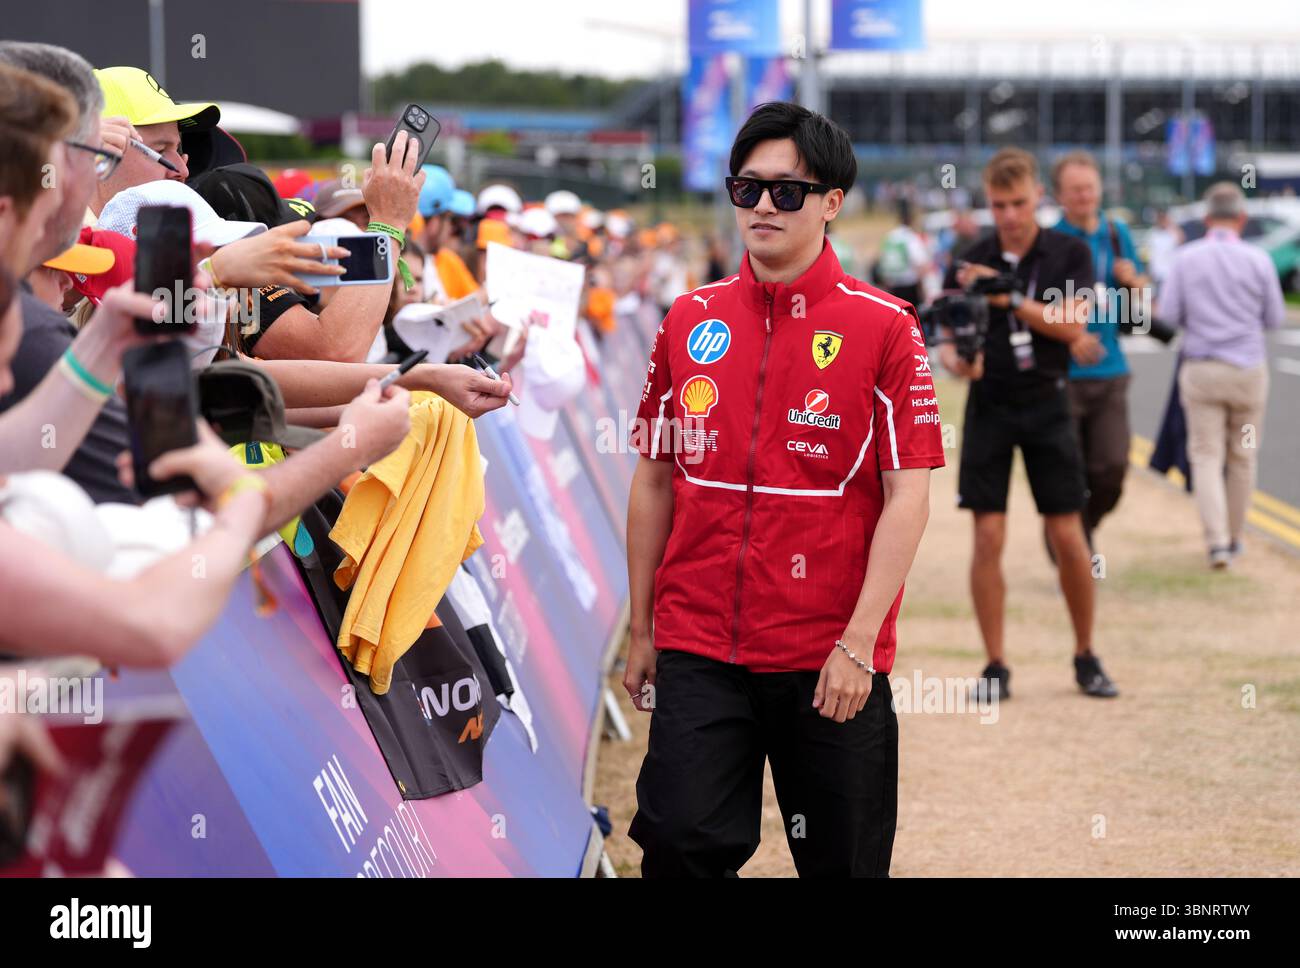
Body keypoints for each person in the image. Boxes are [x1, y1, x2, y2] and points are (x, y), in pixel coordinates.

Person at [624, 101, 944, 877]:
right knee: (676, 848)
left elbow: (910, 496)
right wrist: (643, 628)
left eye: (787, 191)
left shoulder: (888, 326)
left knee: (844, 865)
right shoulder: (688, 319)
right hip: (701, 645)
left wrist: (859, 645)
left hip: (827, 654)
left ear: (832, 202)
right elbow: (654, 480)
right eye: (747, 188)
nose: (763, 205)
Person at [940, 147, 1118, 700]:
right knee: (987, 534)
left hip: (1048, 399)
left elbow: (1073, 324)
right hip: (989, 403)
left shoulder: (1068, 252)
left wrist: (1009, 298)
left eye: (1018, 202)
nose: (1010, 215)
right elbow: (948, 346)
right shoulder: (970, 256)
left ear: (1038, 196)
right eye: (999, 205)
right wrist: (960, 360)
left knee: (1068, 533)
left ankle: (1086, 654)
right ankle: (995, 665)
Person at [1157, 182, 1284, 569]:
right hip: (1247, 372)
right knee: (1243, 456)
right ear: (1241, 218)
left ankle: (1216, 544)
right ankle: (1235, 535)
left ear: (1207, 218)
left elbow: (1168, 316)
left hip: (1203, 371)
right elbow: (1275, 319)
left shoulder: (1186, 258)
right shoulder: (1259, 260)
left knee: (1206, 456)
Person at [1052, 150, 1150, 545]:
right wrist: (1069, 333)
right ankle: (1073, 552)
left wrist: (1133, 283)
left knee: (1110, 469)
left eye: (1089, 188)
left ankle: (1078, 533)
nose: (1084, 196)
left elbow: (1139, 300)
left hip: (1111, 370)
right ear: (1059, 195)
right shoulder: (1051, 241)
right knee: (1067, 473)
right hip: (1063, 374)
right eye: (1075, 190)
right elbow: (1038, 303)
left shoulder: (1116, 233)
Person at [874, 198, 932, 307]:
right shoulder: (911, 237)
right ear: (912, 220)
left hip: (892, 288)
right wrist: (923, 289)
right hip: (909, 287)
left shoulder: (889, 237)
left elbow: (882, 262)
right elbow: (921, 264)